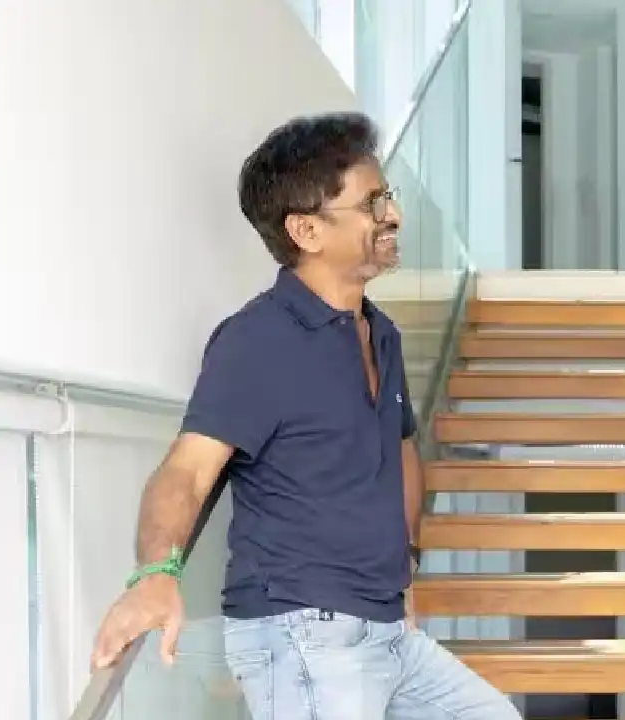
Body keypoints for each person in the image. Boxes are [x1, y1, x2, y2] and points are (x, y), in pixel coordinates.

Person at [90, 112, 521, 720]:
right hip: (302, 633)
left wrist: (404, 567)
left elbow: (400, 451)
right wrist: (156, 573)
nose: (394, 215)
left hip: (387, 630)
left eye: (388, 197)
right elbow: (186, 471)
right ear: (307, 230)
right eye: (372, 204)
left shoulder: (383, 334)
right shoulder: (258, 339)